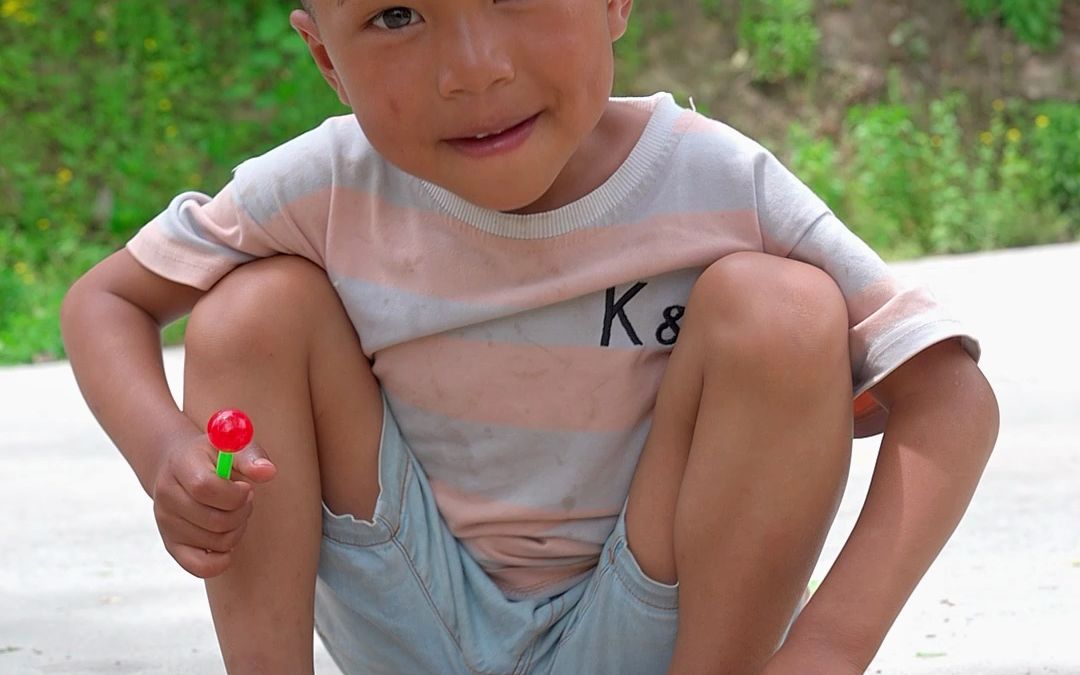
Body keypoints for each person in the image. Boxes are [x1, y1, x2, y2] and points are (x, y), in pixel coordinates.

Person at [61, 1, 1000, 673]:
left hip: (663, 623)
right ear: (326, 59)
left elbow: (949, 398)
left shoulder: (715, 182)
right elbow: (106, 300)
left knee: (785, 311)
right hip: (413, 613)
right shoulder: (321, 187)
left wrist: (829, 648)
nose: (473, 65)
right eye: (396, 16)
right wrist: (170, 452)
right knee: (249, 310)